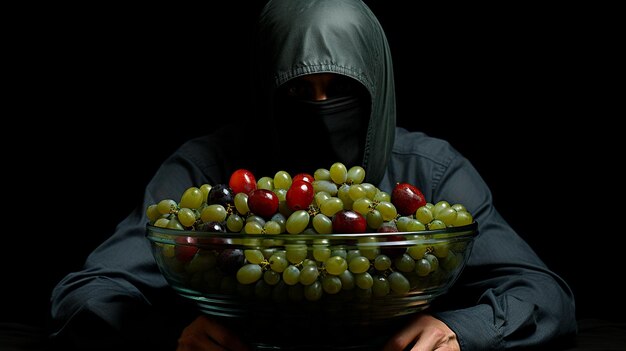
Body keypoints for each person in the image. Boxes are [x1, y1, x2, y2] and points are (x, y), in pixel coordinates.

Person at [49, 0, 577, 350]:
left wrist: (462, 329)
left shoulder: (430, 170)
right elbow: (88, 292)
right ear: (264, 90)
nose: (321, 109)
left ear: (379, 87)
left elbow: (543, 294)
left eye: (341, 90)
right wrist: (167, 334)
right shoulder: (205, 170)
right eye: (299, 92)